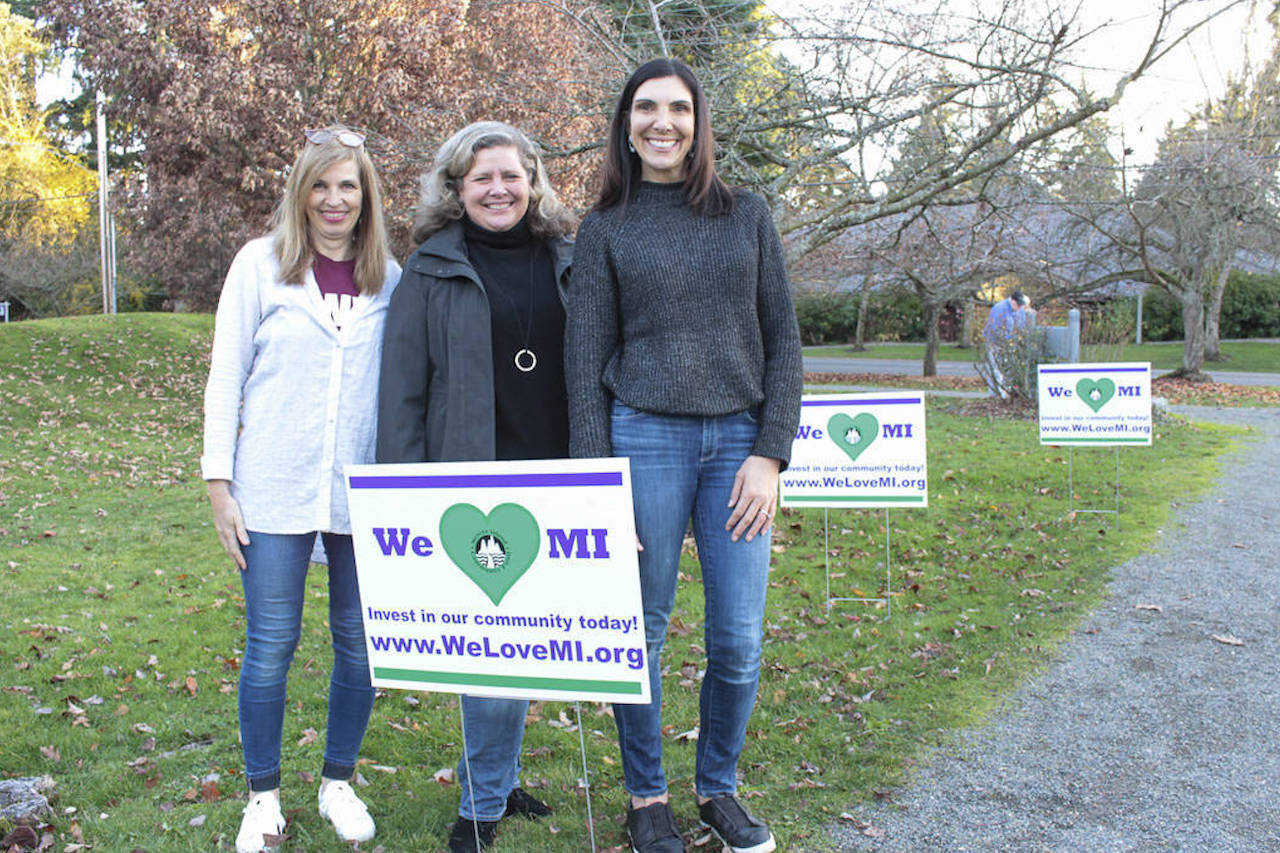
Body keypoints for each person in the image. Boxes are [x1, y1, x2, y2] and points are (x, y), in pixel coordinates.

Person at [565, 58, 803, 853]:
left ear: (699, 123)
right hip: (643, 439)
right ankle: (647, 796)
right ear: (625, 124)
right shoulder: (605, 227)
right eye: (645, 110)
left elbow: (785, 345)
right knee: (641, 628)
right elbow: (584, 359)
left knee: (737, 636)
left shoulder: (748, 215)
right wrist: (600, 482)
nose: (660, 123)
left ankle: (718, 787)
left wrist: (770, 453)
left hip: (738, 444)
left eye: (676, 110)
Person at [375, 121, 575, 853]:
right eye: (481, 177)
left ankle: (497, 771)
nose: (498, 189)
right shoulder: (428, 270)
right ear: (456, 189)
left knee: (522, 641)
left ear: (534, 181)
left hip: (559, 477)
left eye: (511, 175)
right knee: (491, 644)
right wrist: (402, 497)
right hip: (469, 479)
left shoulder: (569, 260)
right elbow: (401, 393)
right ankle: (481, 802)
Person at [201, 126, 399, 853]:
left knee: (359, 643)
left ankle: (338, 780)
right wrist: (219, 484)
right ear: (301, 192)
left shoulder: (390, 276)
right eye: (321, 184)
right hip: (274, 485)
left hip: (361, 491)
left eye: (348, 185)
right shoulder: (260, 266)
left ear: (366, 194)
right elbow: (226, 377)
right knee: (272, 642)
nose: (334, 199)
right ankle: (262, 796)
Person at [982, 289, 1029, 397]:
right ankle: (997, 394)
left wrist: (1018, 339)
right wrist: (1004, 342)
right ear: (1012, 300)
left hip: (1010, 343)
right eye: (1017, 304)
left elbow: (1021, 326)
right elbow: (995, 329)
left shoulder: (1020, 309)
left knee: (1009, 369)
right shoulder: (1000, 308)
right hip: (995, 342)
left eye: (1021, 305)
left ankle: (1007, 392)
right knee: (997, 368)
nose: (1019, 307)